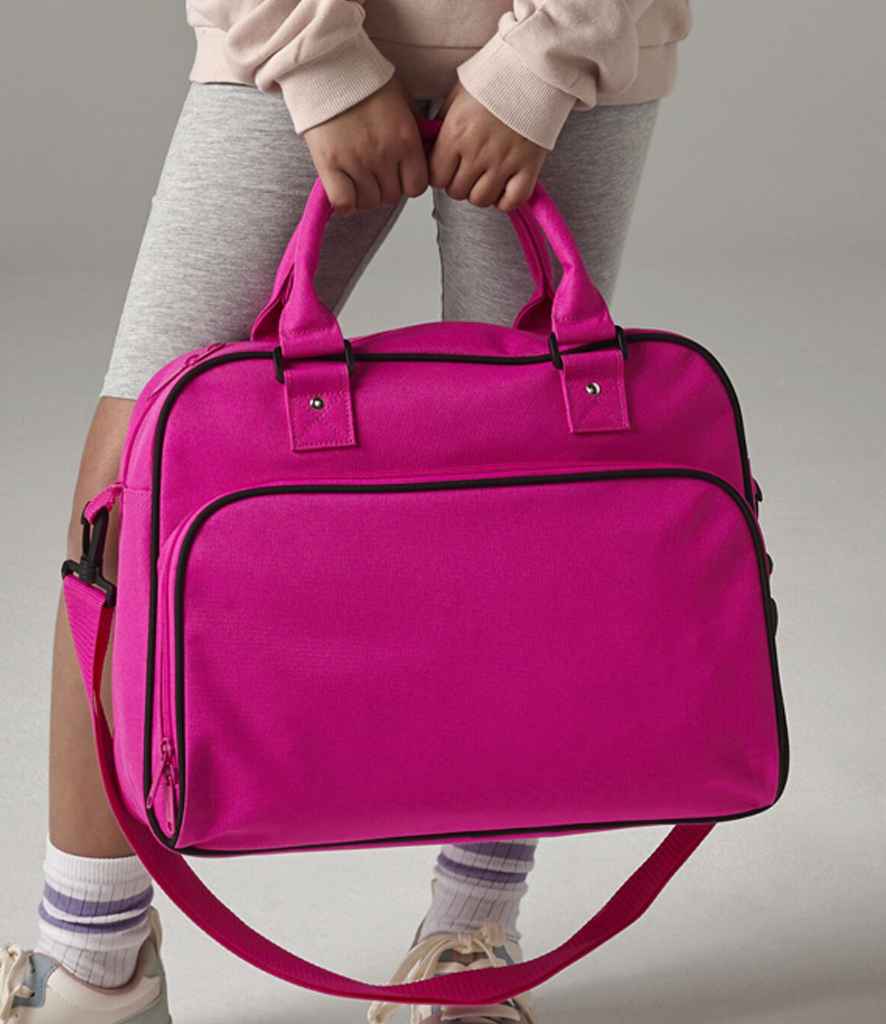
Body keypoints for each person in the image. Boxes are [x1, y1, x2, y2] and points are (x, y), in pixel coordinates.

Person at [0, 2, 691, 1022]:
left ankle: (470, 942)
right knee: (127, 494)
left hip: (570, 38)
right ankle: (94, 961)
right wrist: (315, 57)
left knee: (526, 517)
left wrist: (545, 59)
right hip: (293, 27)